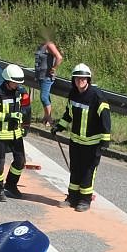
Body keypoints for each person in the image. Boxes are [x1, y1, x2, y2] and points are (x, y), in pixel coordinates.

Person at [53, 63, 111, 212]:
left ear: (88, 80)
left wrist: (105, 140)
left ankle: (85, 200)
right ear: (74, 80)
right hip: (76, 141)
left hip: (92, 144)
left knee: (88, 172)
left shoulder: (97, 96)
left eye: (83, 78)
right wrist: (60, 126)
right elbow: (68, 114)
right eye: (78, 78)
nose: (80, 81)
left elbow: (105, 119)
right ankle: (72, 198)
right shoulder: (73, 94)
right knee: (75, 170)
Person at [0, 64, 28, 201]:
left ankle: (11, 184)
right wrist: (11, 116)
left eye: (18, 83)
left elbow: (21, 108)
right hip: (0, 134)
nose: (17, 85)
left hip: (15, 133)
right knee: (0, 162)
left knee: (20, 161)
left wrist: (21, 120)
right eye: (15, 82)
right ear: (7, 80)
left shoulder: (18, 92)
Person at [34, 37, 63, 126]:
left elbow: (59, 57)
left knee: (44, 97)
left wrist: (54, 68)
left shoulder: (49, 45)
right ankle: (46, 116)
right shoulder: (41, 45)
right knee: (45, 96)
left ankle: (49, 119)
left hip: (46, 76)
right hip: (40, 76)